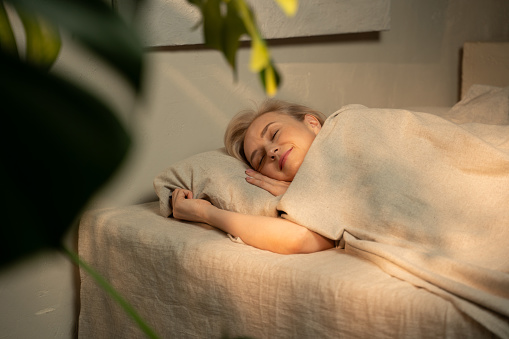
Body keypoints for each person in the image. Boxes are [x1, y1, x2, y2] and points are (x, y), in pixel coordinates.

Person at [171, 99, 334, 254]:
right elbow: (300, 238)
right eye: (260, 159)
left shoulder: (351, 122)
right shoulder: (308, 204)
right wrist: (204, 212)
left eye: (275, 133)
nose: (271, 151)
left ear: (312, 123)